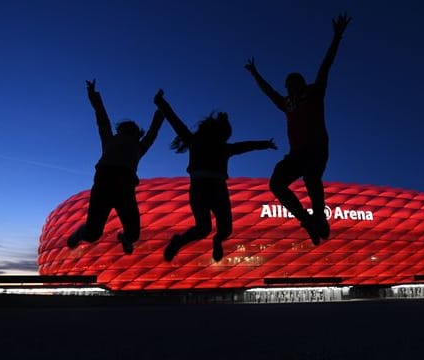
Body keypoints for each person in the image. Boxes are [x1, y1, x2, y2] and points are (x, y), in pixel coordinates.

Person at [245, 13, 352, 245]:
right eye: (289, 84)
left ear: (302, 83)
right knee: (276, 184)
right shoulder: (287, 103)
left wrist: (337, 37)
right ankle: (307, 221)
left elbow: (326, 67)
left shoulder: (314, 93)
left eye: (295, 82)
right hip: (296, 154)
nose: (292, 86)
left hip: (316, 148)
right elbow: (269, 92)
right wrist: (255, 74)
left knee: (312, 178)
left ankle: (319, 218)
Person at [154, 90, 276, 262]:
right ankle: (185, 241)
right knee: (213, 228)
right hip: (210, 187)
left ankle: (212, 240)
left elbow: (245, 146)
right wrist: (265, 144)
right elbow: (176, 122)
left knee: (213, 228)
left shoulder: (204, 143)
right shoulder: (208, 144)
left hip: (205, 187)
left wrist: (161, 103)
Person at [68, 79, 165, 254]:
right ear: (120, 131)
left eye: (130, 130)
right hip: (104, 185)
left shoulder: (139, 146)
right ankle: (82, 232)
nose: (126, 133)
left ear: (135, 134)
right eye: (124, 130)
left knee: (134, 233)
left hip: (124, 189)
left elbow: (152, 132)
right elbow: (102, 119)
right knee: (92, 235)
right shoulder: (110, 140)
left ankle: (125, 239)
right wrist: (93, 96)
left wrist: (161, 110)